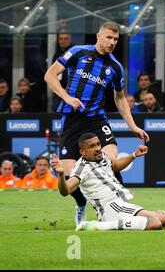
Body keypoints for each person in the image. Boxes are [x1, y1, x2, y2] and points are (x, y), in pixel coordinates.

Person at [44, 21, 149, 226]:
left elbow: (120, 99)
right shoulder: (77, 52)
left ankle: (120, 206)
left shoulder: (115, 67)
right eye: (109, 37)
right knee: (69, 175)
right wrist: (67, 98)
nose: (112, 42)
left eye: (116, 39)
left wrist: (133, 126)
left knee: (110, 160)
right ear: (98, 37)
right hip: (72, 120)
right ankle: (81, 204)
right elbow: (49, 75)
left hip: (96, 120)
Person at [51, 133, 165, 231]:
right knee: (154, 222)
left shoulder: (101, 157)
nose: (97, 148)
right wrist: (60, 175)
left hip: (120, 205)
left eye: (98, 144)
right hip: (110, 209)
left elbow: (115, 165)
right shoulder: (81, 168)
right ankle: (99, 226)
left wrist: (134, 155)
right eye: (92, 146)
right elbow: (66, 190)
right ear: (82, 152)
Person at [51, 32, 75, 111]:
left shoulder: (75, 53)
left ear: (70, 40)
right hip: (59, 91)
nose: (63, 41)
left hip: (73, 91)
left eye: (66, 39)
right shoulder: (56, 54)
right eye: (61, 39)